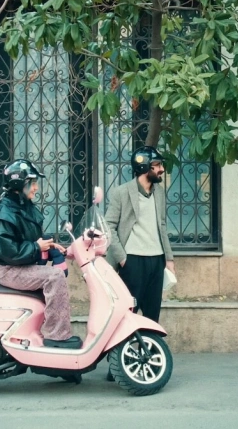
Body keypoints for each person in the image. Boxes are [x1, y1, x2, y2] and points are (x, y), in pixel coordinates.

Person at [0, 159, 81, 350]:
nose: (36, 188)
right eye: (32, 183)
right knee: (55, 276)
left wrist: (49, 245)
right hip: (11, 271)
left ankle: (44, 331)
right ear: (19, 184)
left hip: (22, 266)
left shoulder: (21, 206)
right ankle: (56, 336)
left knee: (54, 275)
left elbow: (30, 237)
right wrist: (36, 247)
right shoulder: (5, 213)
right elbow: (8, 251)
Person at [103, 146, 175, 381]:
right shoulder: (122, 192)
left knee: (152, 315)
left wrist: (169, 259)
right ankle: (117, 366)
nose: (161, 169)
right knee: (127, 314)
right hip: (132, 261)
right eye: (157, 165)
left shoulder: (159, 193)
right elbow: (109, 226)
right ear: (144, 167)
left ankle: (148, 362)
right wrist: (122, 257)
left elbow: (162, 226)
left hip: (156, 260)